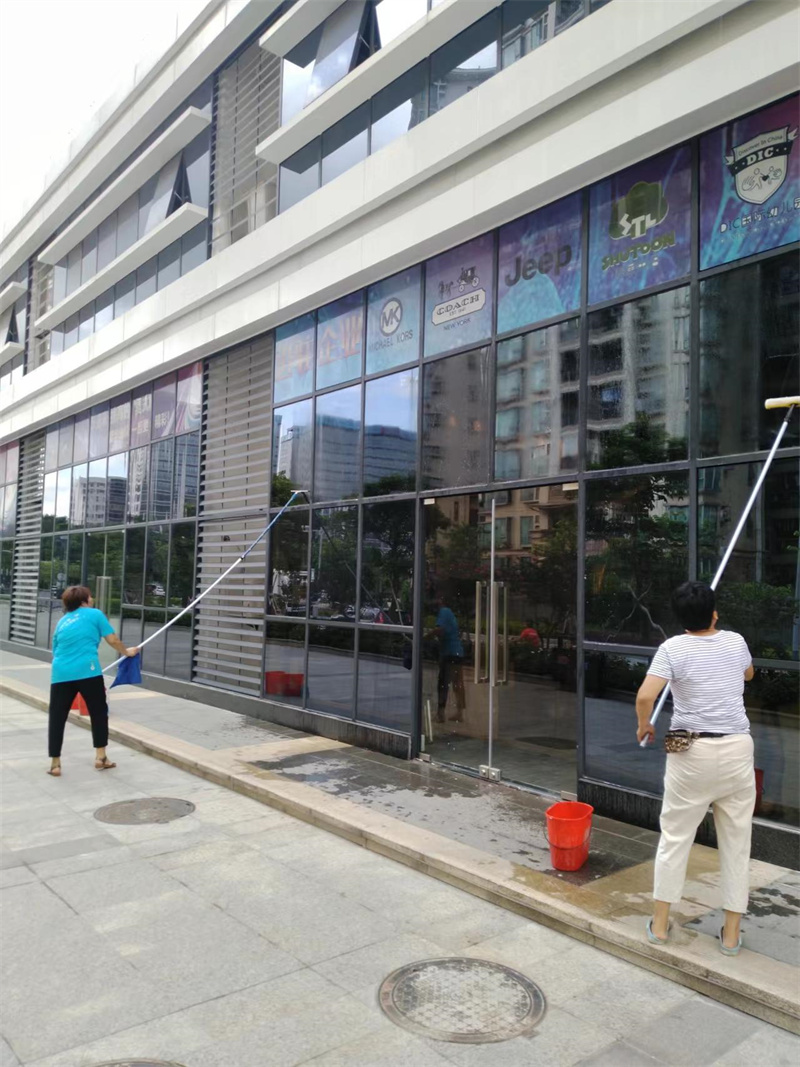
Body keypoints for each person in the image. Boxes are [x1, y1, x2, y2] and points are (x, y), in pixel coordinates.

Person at [635, 581, 755, 956]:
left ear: (680, 618)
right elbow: (748, 675)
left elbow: (645, 696)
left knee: (675, 838)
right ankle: (731, 936)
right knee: (737, 843)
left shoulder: (672, 648)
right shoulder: (736, 642)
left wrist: (644, 725)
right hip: (737, 748)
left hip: (689, 749)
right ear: (714, 613)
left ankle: (659, 926)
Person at [47, 585, 138, 777]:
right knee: (98, 713)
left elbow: (56, 650)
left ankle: (55, 764)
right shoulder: (95, 614)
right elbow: (112, 640)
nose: (92, 599)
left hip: (60, 673)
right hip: (88, 671)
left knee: (57, 716)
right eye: (90, 596)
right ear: (84, 600)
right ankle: (101, 757)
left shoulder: (62, 621)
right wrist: (127, 652)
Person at [428, 595, 466, 723]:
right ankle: (460, 712)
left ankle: (440, 714)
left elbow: (440, 630)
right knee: (457, 684)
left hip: (449, 653)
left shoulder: (443, 612)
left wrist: (425, 637)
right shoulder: (450, 613)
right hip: (457, 652)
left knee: (443, 684)